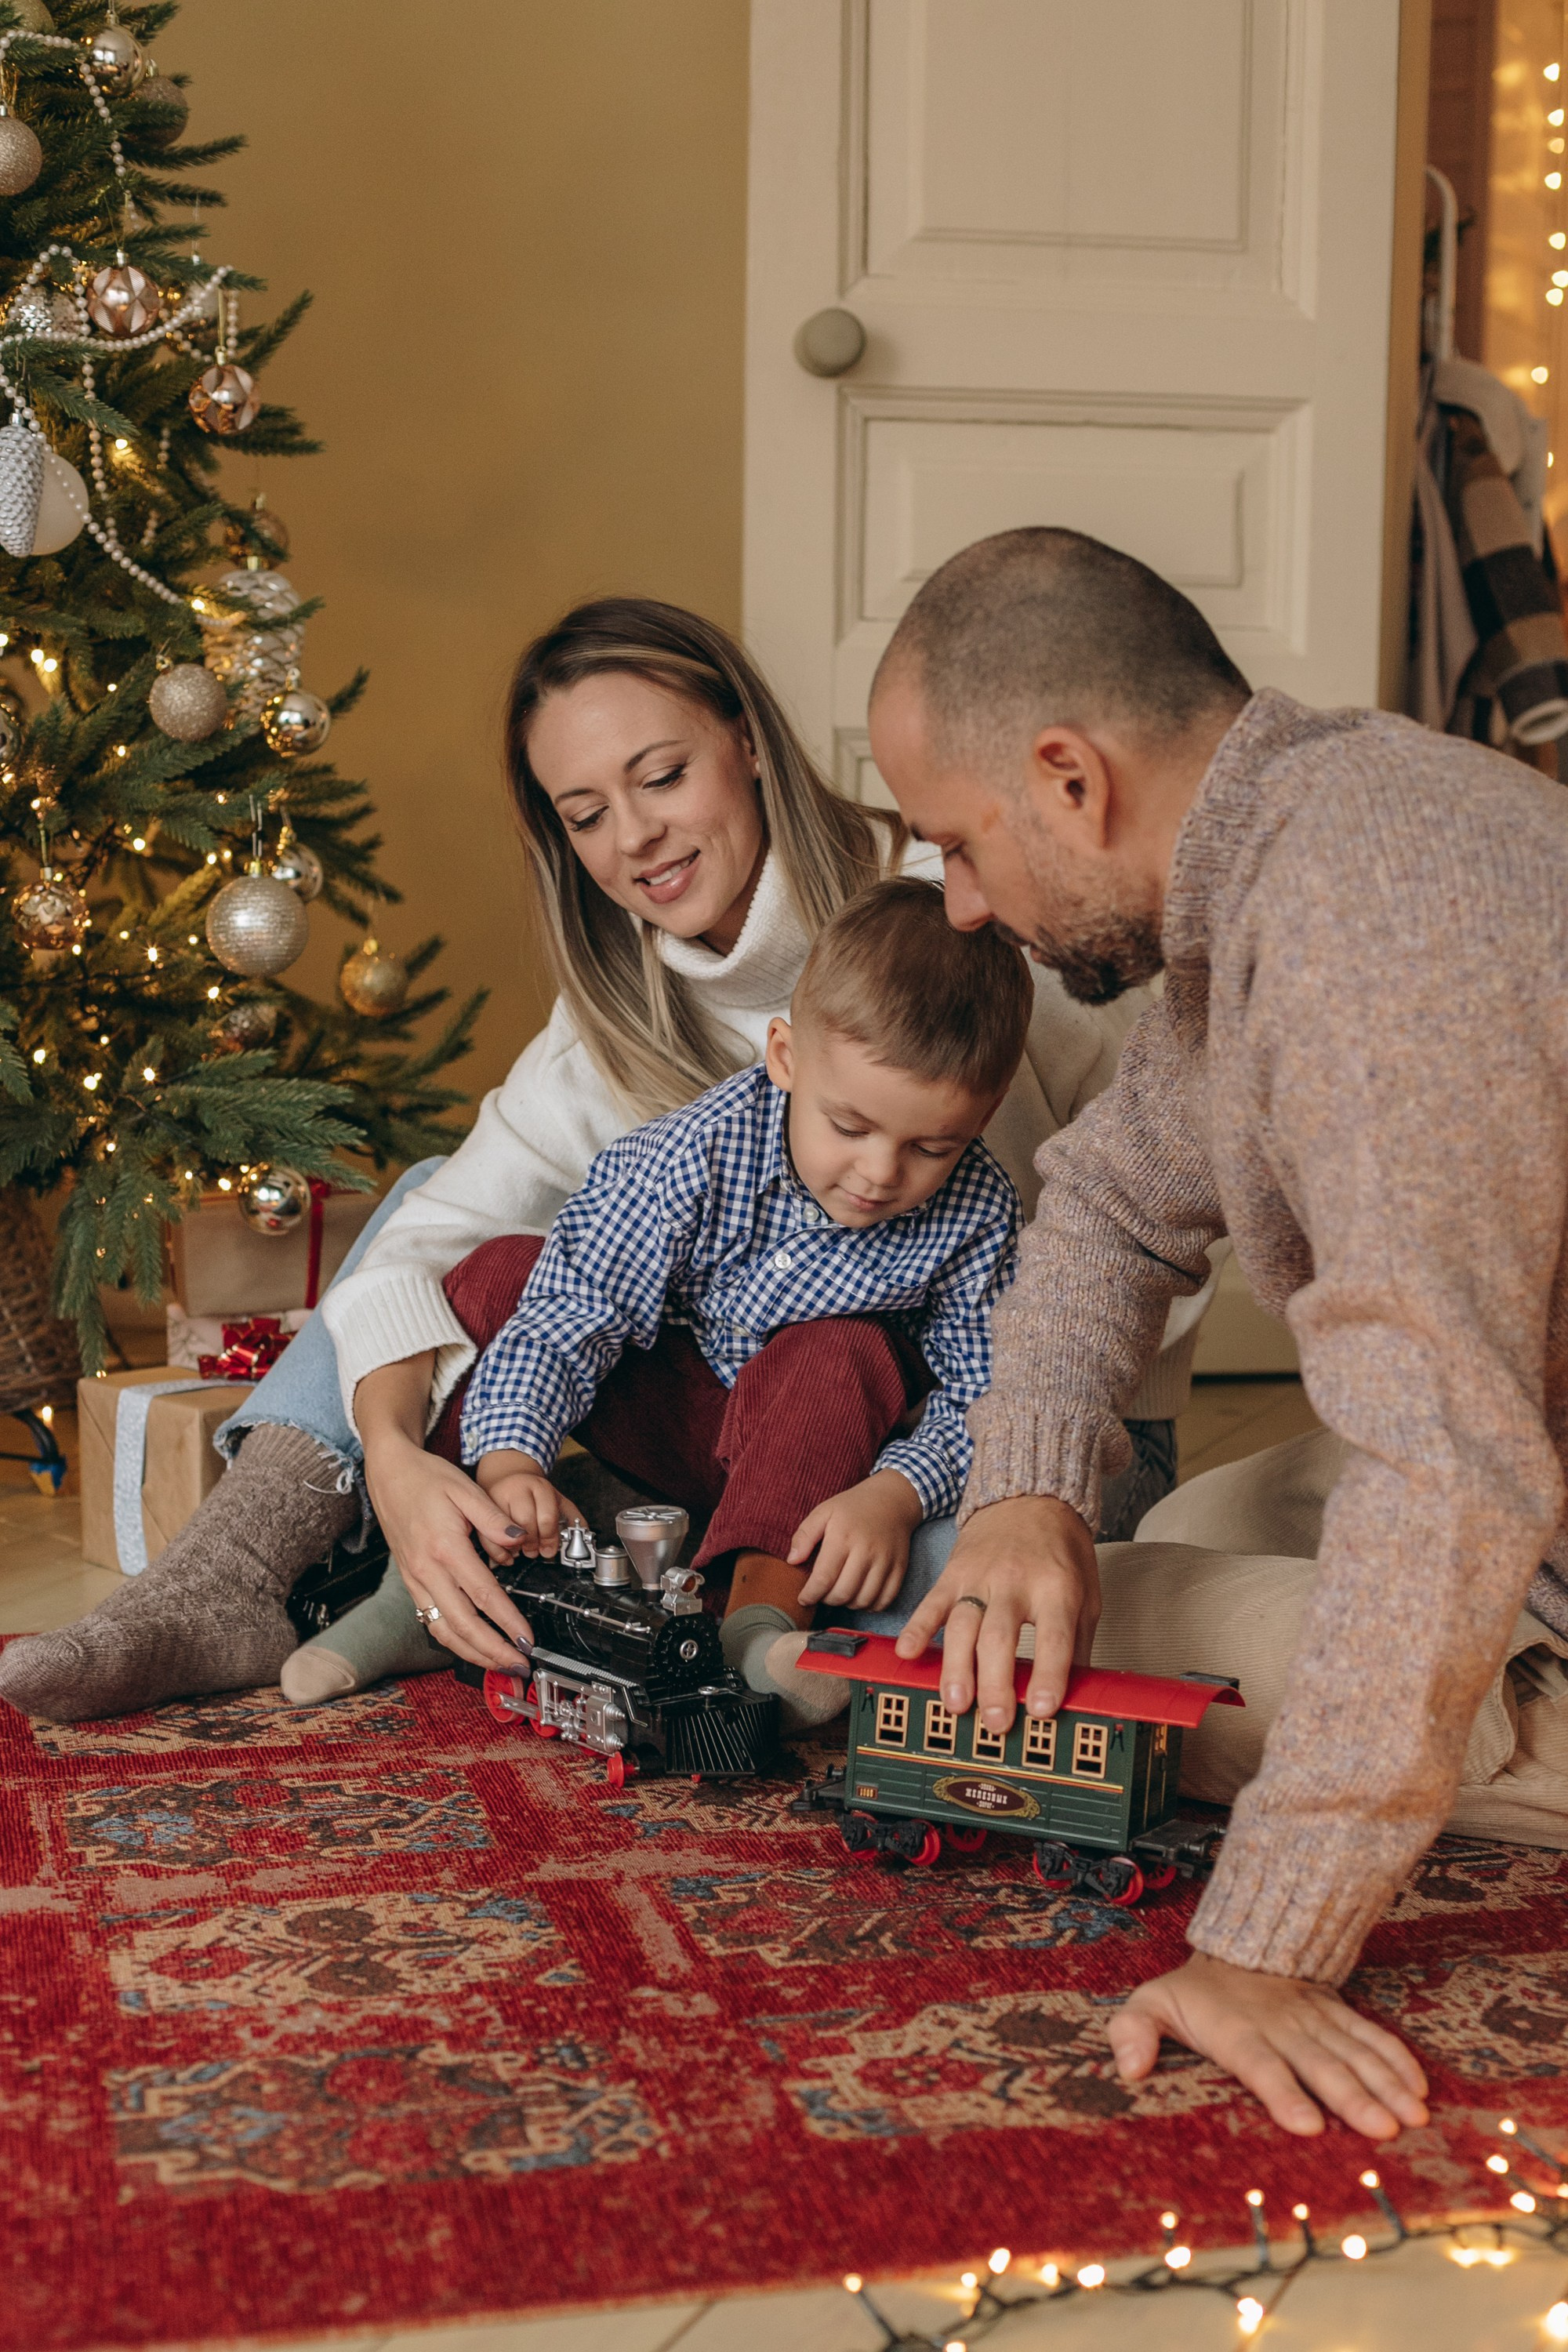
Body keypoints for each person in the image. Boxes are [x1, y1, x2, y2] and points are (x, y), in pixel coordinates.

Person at [0, 598, 1187, 1726]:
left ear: (748, 739)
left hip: (1009, 1439)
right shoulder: (613, 1014)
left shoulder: (968, 919)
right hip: (739, 1418)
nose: (635, 839)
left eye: (662, 776)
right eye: (584, 814)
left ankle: (686, 1593)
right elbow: (439, 1250)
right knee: (445, 1214)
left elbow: (1111, 1247)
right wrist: (400, 1465)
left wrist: (968, 1482)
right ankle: (234, 1574)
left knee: (921, 1581)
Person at [864, 522, 1568, 2146]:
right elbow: (1108, 1207)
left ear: (1068, 779)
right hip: (1525, 1435)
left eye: (957, 845)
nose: (958, 905)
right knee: (1161, 1527)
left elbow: (1448, 1466)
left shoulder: (1369, 931)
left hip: (1499, 1478)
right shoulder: (1299, 833)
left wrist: (1265, 1945)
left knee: (1114, 1625)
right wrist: (1024, 1490)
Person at [425, 877, 1029, 1726]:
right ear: (785, 1057)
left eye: (931, 1147)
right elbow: (573, 1311)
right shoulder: (694, 1153)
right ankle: (449, 1571)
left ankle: (756, 1630)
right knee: (502, 1275)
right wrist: (512, 1460)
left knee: (842, 1346)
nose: (880, 1173)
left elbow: (988, 1396)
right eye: (849, 1128)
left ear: (983, 1114)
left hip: (814, 1460)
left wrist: (895, 1493)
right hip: (677, 1417)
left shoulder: (980, 1211)